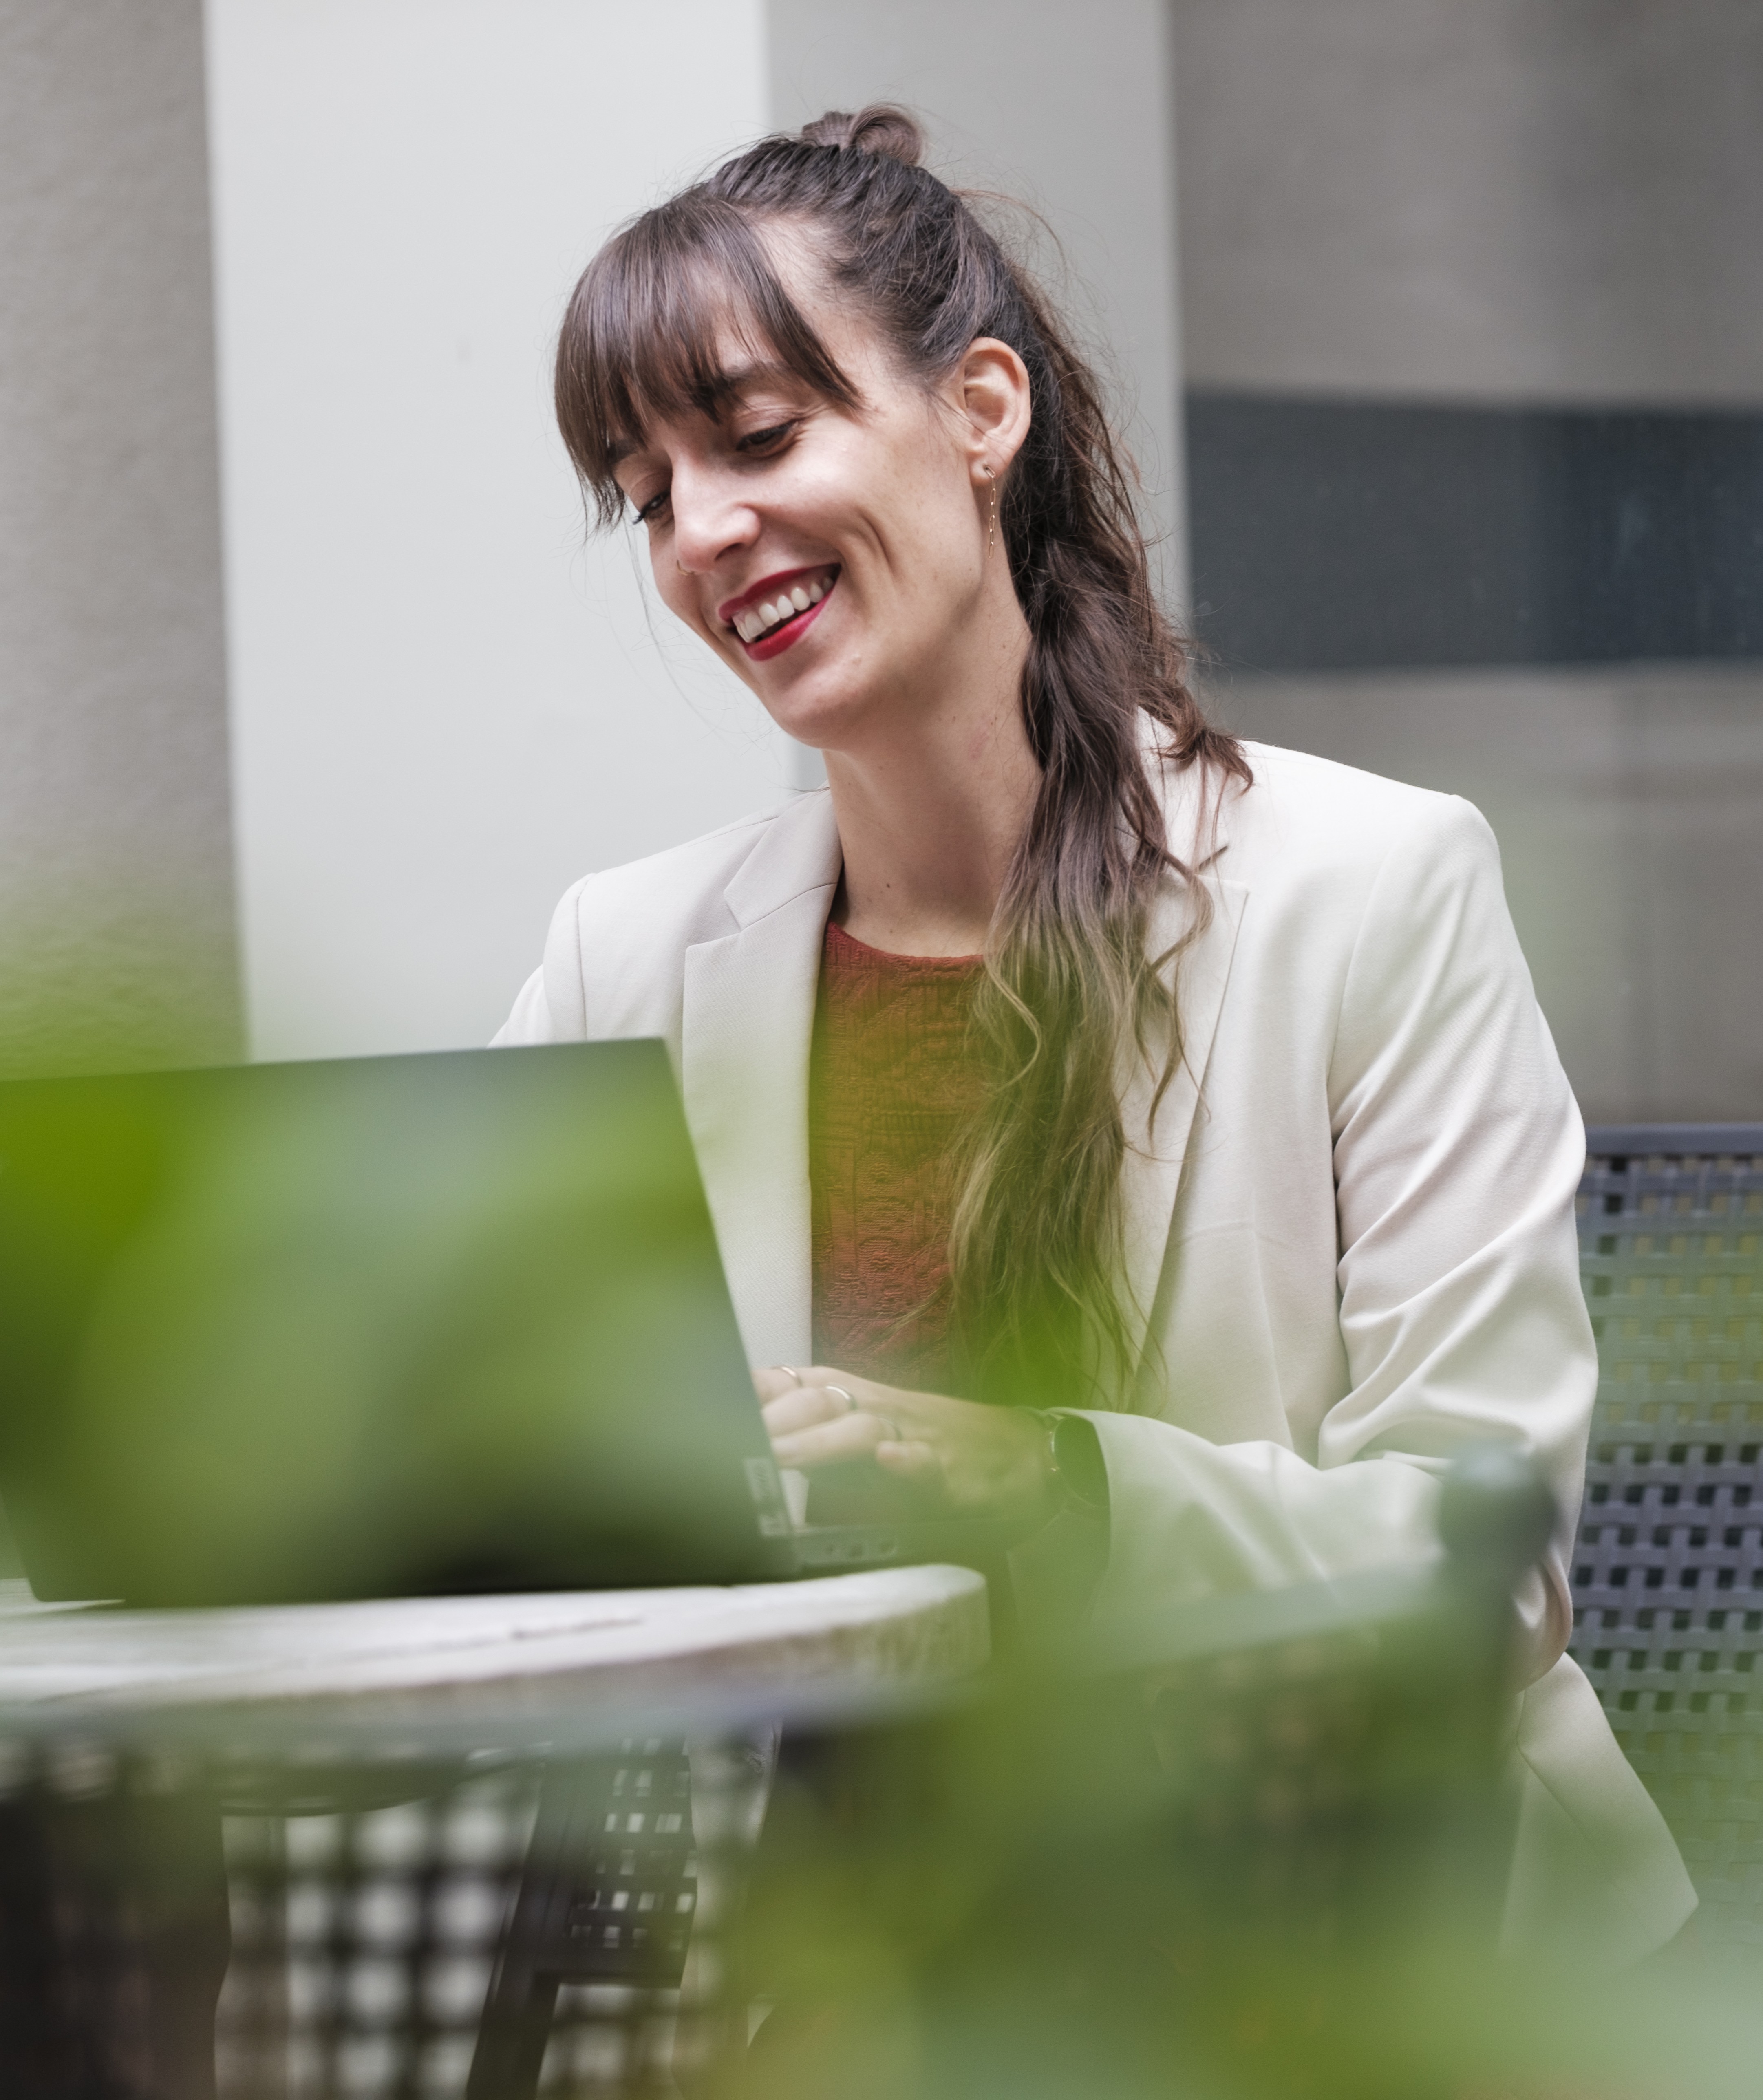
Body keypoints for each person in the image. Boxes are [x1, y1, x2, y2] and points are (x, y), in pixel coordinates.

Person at [497, 105, 1692, 1959]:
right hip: (854, 1966)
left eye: (755, 437)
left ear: (981, 413)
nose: (701, 531)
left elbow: (1483, 1562)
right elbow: (464, 1457)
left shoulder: (1368, 885)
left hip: (1360, 1952)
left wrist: (1046, 1481)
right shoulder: (620, 959)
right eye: (647, 493)